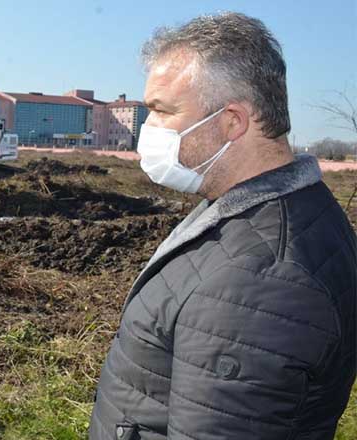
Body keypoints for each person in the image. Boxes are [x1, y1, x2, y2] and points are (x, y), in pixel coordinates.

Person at [90, 12, 356, 440]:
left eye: (161, 111)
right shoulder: (267, 210)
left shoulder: (264, 283)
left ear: (233, 122)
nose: (147, 129)